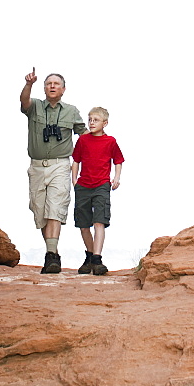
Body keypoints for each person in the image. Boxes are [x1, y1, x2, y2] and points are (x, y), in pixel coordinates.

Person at [21, 69, 87, 274]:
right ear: (44, 87)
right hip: (37, 165)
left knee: (55, 208)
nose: (52, 86)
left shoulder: (71, 111)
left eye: (56, 84)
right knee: (40, 211)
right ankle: (53, 253)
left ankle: (51, 257)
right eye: (48, 83)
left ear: (63, 89)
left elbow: (84, 135)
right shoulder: (35, 107)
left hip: (60, 165)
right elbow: (23, 102)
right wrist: (28, 85)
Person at [71, 106, 124, 276]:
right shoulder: (83, 141)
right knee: (83, 224)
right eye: (90, 120)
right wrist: (74, 180)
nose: (92, 123)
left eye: (96, 120)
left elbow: (118, 160)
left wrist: (116, 178)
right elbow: (76, 160)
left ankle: (97, 259)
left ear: (105, 123)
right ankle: (89, 256)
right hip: (83, 186)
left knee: (99, 221)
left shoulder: (110, 142)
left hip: (101, 185)